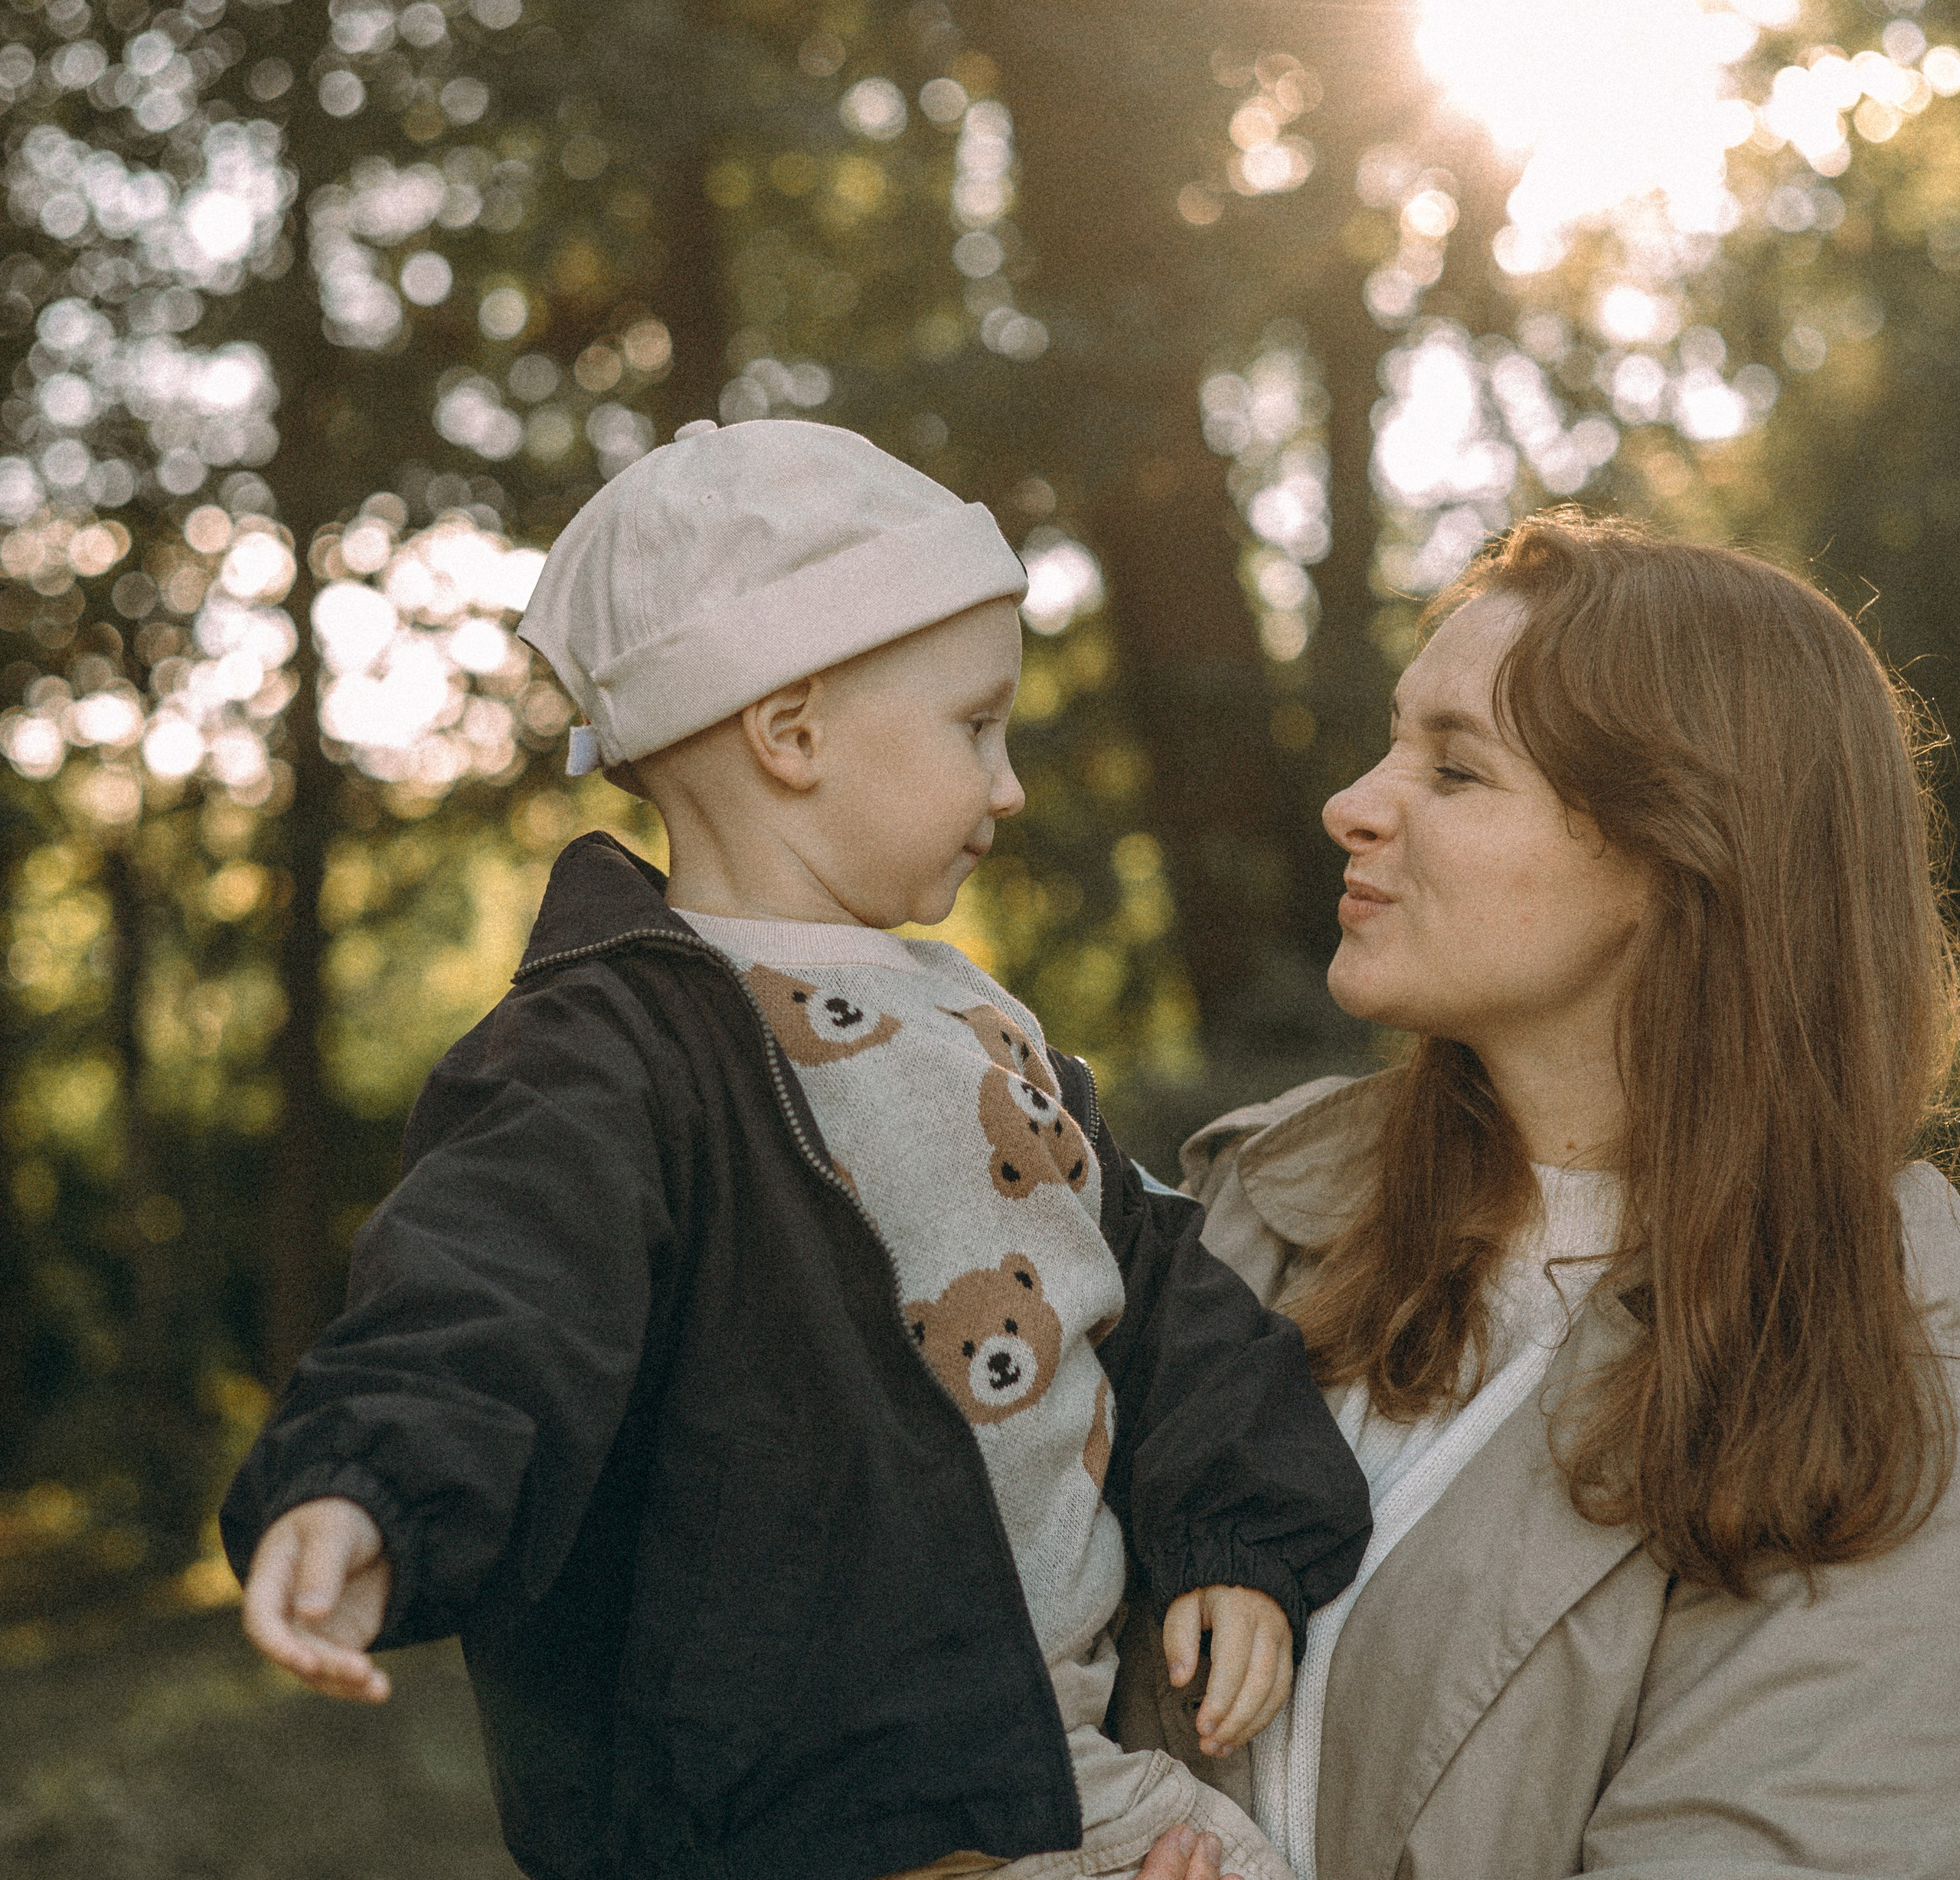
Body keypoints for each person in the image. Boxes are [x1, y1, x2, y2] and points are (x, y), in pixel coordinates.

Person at [220, 420, 1371, 1880]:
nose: (1008, 786)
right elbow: (493, 1294)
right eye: (976, 727)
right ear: (794, 730)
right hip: (780, 1818)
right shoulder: (612, 1045)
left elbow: (1165, 1295)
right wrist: (371, 1478)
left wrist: (1235, 1540)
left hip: (1054, 1786)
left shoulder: (981, 1030)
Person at [1120, 514, 1960, 1880]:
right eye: (1395, 739)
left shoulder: (1897, 1358)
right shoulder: (1247, 1210)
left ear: (1675, 851)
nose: (1355, 802)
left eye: (1453, 768)